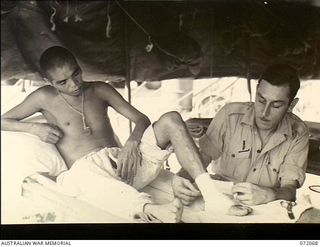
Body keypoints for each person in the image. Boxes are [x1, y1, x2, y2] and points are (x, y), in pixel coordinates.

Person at [2, 46, 226, 222]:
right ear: (48, 82)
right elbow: (3, 120)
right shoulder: (43, 97)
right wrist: (34, 128)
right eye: (63, 82)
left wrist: (131, 142)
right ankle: (150, 210)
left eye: (76, 73)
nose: (74, 84)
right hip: (87, 170)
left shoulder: (100, 89)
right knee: (75, 179)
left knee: (171, 118)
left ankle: (213, 194)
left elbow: (141, 119)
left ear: (79, 67)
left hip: (124, 162)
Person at [173, 63, 309, 207]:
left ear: (291, 105)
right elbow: (201, 158)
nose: (264, 112)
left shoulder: (298, 133)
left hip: (262, 207)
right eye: (261, 100)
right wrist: (182, 180)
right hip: (218, 198)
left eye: (276, 105)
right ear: (256, 91)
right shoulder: (229, 115)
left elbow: (289, 192)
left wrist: (271, 194)